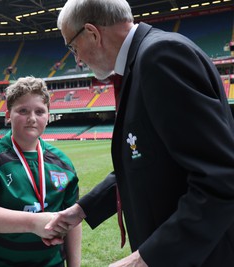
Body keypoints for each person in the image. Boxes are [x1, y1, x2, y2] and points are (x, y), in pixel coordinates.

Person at [44, 0, 234, 266]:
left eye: (73, 48)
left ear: (92, 33)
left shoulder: (160, 57)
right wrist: (81, 210)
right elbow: (146, 158)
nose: (77, 60)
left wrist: (146, 258)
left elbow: (221, 178)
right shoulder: (143, 62)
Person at [0, 76, 81, 267]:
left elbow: (73, 219)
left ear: (48, 115)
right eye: (23, 111)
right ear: (8, 115)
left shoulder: (62, 163)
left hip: (51, 263)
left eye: (39, 111)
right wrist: (33, 223)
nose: (32, 118)